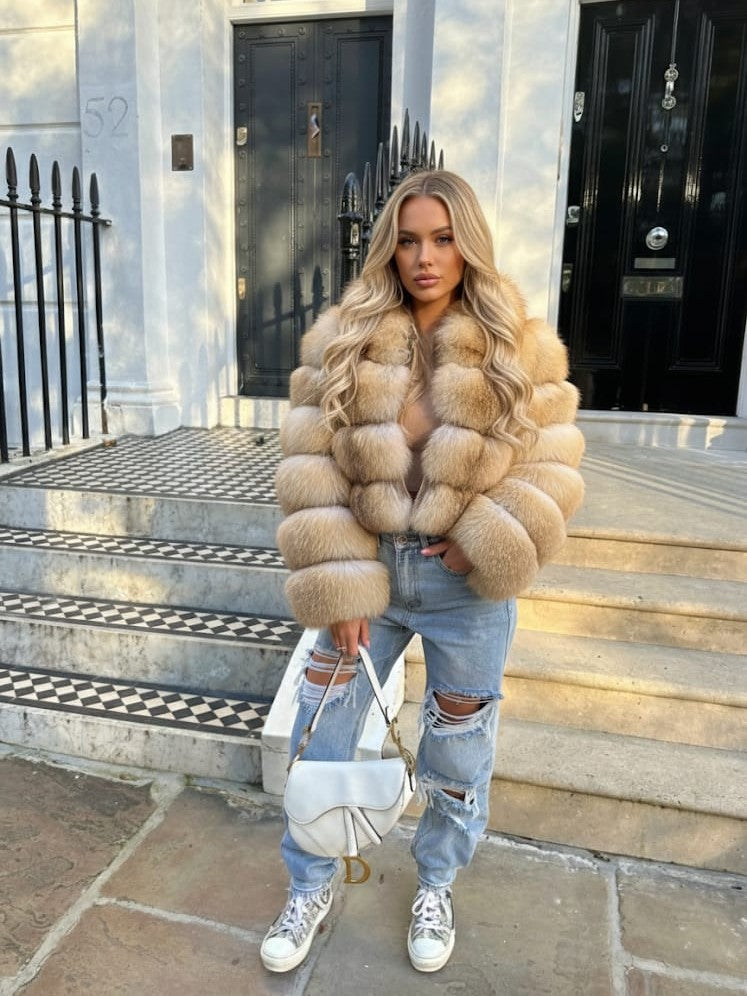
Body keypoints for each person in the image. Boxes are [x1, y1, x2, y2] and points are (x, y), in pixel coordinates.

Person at [261, 170, 585, 974]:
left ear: (466, 243)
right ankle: (309, 883)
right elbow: (310, 462)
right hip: (367, 570)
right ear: (389, 247)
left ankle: (435, 881)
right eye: (407, 239)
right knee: (321, 738)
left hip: (462, 588)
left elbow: (551, 461)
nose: (424, 257)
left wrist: (489, 535)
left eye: (441, 238)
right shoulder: (346, 336)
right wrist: (341, 580)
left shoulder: (516, 342)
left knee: (457, 757)